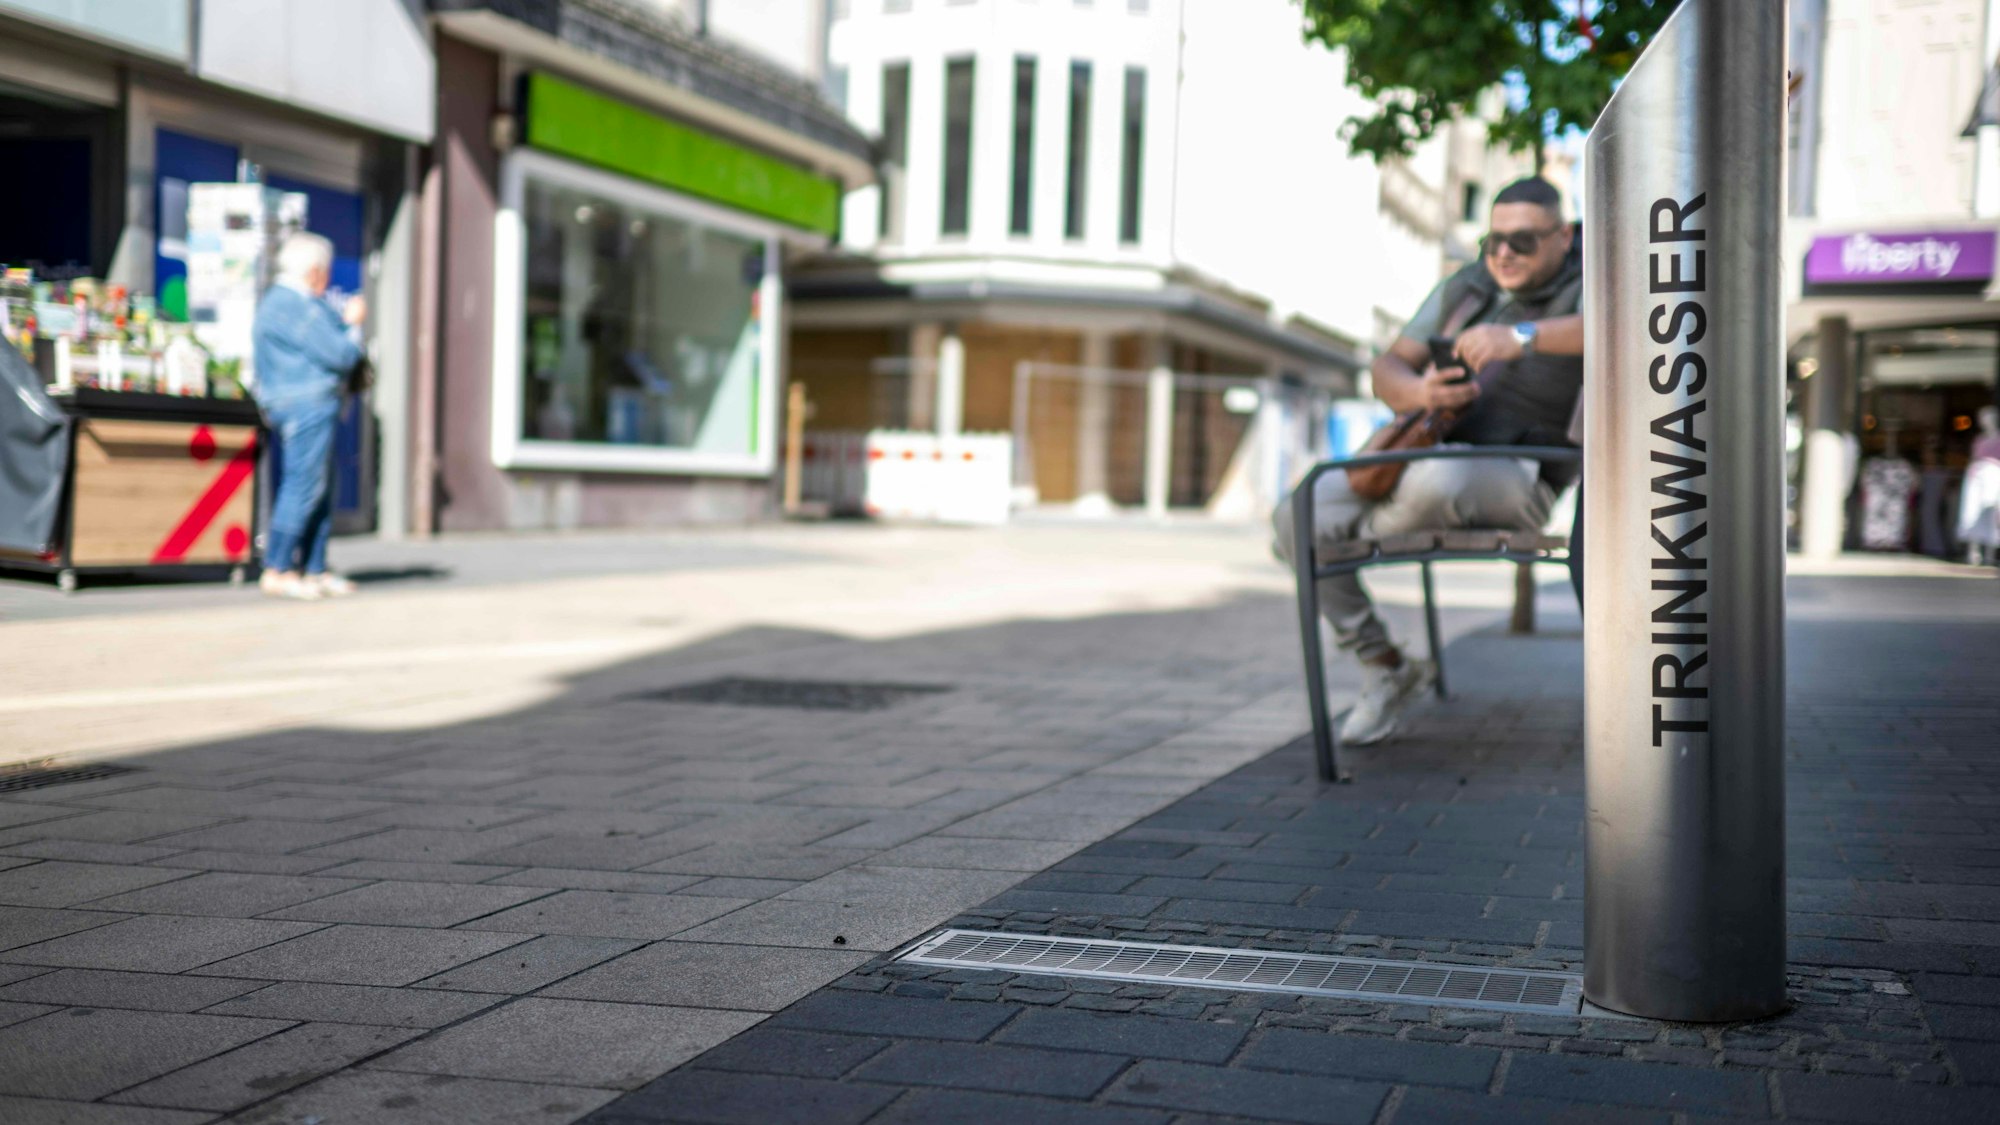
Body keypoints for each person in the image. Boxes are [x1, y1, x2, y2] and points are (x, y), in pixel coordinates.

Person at [1275, 177, 1586, 746]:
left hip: (1522, 473)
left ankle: (1339, 543)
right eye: (1493, 241)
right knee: (1298, 511)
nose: (1504, 255)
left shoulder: (1598, 277)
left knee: (1431, 484)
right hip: (1422, 453)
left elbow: (1618, 329)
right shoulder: (1465, 287)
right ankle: (1386, 662)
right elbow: (1388, 366)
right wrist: (1422, 395)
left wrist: (1521, 336)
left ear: (1563, 236)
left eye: (1522, 241)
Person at [252, 232, 367, 600]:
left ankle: (314, 568)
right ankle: (279, 567)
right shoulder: (292, 304)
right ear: (314, 270)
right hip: (306, 405)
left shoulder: (288, 302)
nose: (328, 278)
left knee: (318, 486)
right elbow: (342, 355)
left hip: (304, 403)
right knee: (304, 484)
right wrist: (354, 325)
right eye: (326, 271)